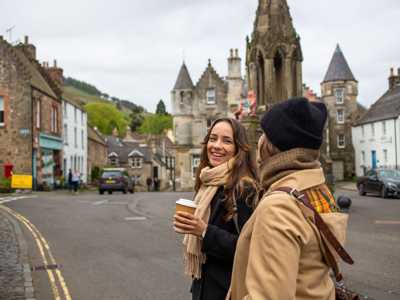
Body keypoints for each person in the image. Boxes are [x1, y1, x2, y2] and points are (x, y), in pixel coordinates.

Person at [228, 97, 349, 300]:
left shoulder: (279, 207)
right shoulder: (317, 188)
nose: (258, 140)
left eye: (263, 134)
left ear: (270, 145)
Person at [174, 118, 259, 300]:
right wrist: (191, 227)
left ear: (239, 148)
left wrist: (204, 231)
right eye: (213, 139)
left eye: (226, 141)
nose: (216, 146)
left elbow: (250, 247)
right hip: (204, 288)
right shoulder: (208, 182)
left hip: (229, 291)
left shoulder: (244, 188)